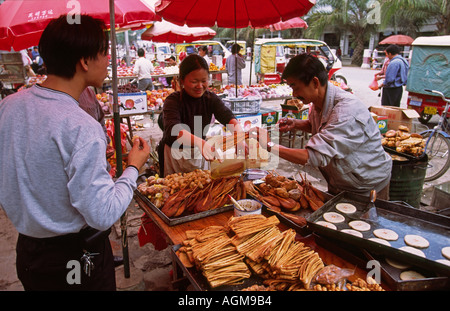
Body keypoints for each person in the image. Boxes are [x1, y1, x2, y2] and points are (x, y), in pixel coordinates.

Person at [0, 14, 150, 291]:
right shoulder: (80, 126)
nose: (108, 61)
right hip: (74, 259)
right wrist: (133, 168)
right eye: (105, 53)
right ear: (84, 61)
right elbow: (102, 214)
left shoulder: (9, 106)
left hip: (30, 254)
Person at [252, 53, 392, 199]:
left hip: (366, 186)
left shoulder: (346, 112)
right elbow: (321, 127)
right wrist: (296, 124)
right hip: (341, 182)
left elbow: (312, 156)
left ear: (315, 82)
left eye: (296, 87)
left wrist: (269, 145)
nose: (294, 94)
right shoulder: (319, 101)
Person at [160, 54, 245, 176]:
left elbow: (229, 118)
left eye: (204, 81)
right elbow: (174, 129)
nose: (200, 86)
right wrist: (200, 142)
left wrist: (239, 138)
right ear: (182, 80)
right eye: (194, 81)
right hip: (174, 156)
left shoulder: (210, 99)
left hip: (199, 153)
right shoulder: (172, 101)